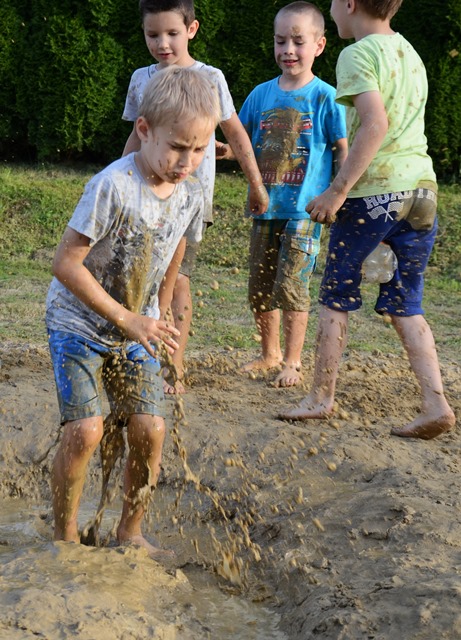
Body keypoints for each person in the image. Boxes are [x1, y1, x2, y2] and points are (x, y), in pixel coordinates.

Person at [46, 66, 222, 557]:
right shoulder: (113, 186)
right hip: (78, 323)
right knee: (86, 430)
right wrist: (128, 318)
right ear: (144, 130)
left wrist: (159, 315)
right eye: (178, 147)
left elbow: (173, 253)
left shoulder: (188, 191)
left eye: (201, 149)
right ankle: (64, 539)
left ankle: (131, 531)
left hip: (138, 327)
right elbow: (65, 263)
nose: (187, 161)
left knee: (151, 428)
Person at [279, 0, 456, 439]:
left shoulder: (356, 53)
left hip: (374, 194)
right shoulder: (408, 50)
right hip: (422, 194)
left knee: (335, 294)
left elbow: (375, 125)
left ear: (350, 4)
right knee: (406, 303)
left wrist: (337, 190)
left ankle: (320, 397)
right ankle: (435, 403)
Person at [122, 0, 269, 394]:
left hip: (191, 200)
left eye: (172, 33)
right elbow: (137, 136)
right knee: (147, 277)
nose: (162, 43)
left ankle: (175, 364)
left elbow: (235, 132)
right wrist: (118, 186)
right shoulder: (141, 78)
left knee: (177, 280)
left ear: (192, 29)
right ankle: (141, 349)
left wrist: (255, 184)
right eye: (153, 34)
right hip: (146, 197)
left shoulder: (210, 77)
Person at [223, 1, 347, 387]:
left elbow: (343, 149)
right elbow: (240, 143)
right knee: (260, 287)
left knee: (292, 285)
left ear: (319, 45)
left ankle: (292, 362)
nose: (288, 50)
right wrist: (216, 150)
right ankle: (269, 354)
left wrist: (337, 194)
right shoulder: (260, 95)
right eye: (280, 41)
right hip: (264, 207)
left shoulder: (326, 96)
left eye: (298, 41)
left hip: (304, 212)